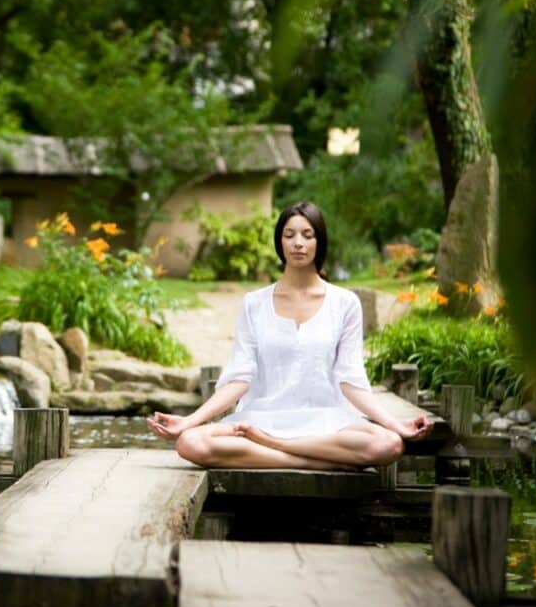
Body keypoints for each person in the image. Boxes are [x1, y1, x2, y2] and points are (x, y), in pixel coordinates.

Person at [146, 201, 432, 470]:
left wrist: (396, 424)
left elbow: (350, 380)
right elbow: (240, 378)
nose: (298, 243)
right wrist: (190, 421)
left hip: (326, 421)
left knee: (389, 444)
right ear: (279, 242)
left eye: (308, 235)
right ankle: (310, 462)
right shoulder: (254, 303)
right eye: (289, 235)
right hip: (261, 418)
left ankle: (277, 447)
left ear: (319, 242)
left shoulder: (344, 303)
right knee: (190, 442)